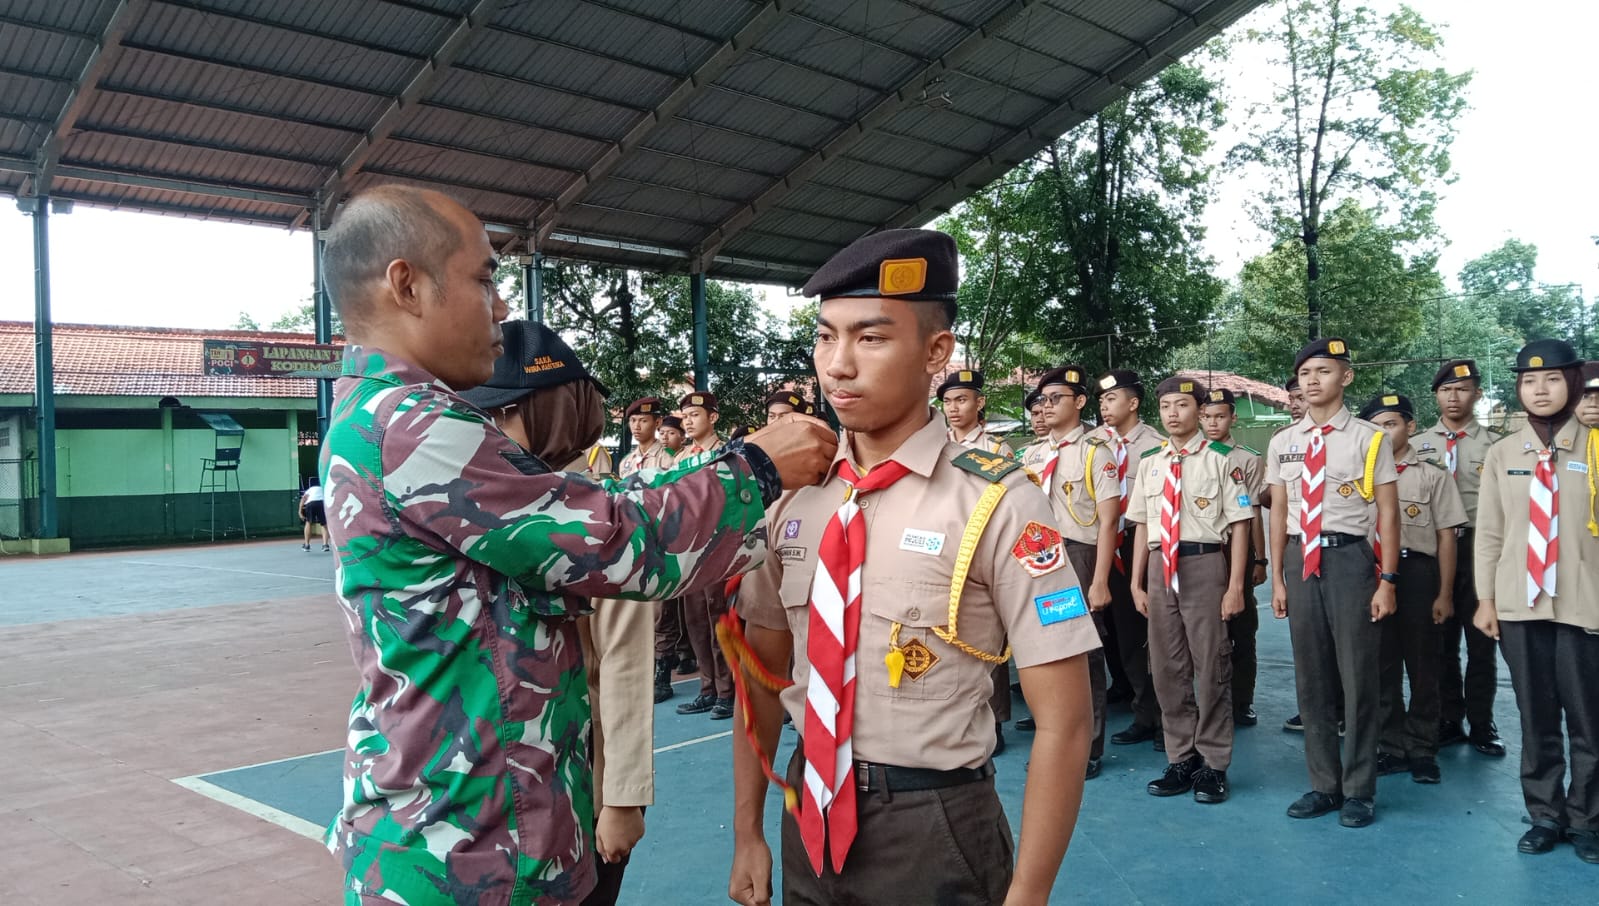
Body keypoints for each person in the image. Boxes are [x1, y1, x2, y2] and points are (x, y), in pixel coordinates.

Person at [314, 185, 837, 905]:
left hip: (473, 828)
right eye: (483, 278)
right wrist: (756, 468)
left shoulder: (380, 416)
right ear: (406, 284)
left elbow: (589, 525)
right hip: (473, 857)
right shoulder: (412, 427)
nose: (500, 305)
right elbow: (620, 543)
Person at [728, 229, 1098, 906]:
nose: (837, 365)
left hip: (933, 826)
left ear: (935, 351)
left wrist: (1029, 894)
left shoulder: (998, 501)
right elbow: (760, 677)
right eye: (824, 337)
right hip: (804, 811)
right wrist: (747, 830)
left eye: (869, 338)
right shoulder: (791, 497)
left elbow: (1065, 720)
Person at [458, 322, 650, 906]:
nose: (488, 428)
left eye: (504, 411)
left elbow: (621, 663)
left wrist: (620, 798)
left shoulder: (597, 514)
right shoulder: (479, 501)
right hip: (492, 787)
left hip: (575, 780)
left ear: (550, 410)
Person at [1474, 339, 1599, 864]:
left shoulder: (1594, 447)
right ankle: (1545, 814)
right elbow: (1490, 533)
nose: (1540, 389)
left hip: (1583, 605)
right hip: (1520, 605)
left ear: (1572, 383)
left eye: (1551, 380)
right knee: (1535, 713)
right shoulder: (1504, 453)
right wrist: (1485, 599)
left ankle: (1588, 819)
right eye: (1528, 380)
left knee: (1588, 717)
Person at [1267, 338, 1398, 828]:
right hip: (1303, 558)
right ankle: (1324, 784)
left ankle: (1359, 789)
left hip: (1351, 560)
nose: (1312, 380)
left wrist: (1387, 580)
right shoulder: (1284, 442)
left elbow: (1387, 513)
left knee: (1358, 675)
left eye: (1324, 371)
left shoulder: (1369, 438)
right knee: (1312, 676)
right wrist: (1278, 578)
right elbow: (1279, 512)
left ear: (1346, 377)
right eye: (1305, 373)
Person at [1128, 377, 1253, 803]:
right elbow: (1143, 521)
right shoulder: (1150, 461)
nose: (1172, 414)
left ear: (1198, 411)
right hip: (1160, 567)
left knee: (1212, 664)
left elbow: (1240, 525)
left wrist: (1236, 585)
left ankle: (1214, 763)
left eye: (1181, 406)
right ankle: (1181, 757)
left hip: (1204, 563)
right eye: (1165, 407)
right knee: (1166, 667)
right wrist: (1135, 581)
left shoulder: (1220, 459)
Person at [1359, 393, 1465, 786]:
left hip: (1418, 574)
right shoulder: (1358, 474)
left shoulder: (1432, 476)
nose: (1384, 433)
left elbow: (1447, 538)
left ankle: (1422, 749)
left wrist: (1445, 593)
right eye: (1376, 426)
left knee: (1424, 666)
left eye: (1391, 424)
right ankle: (1390, 747)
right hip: (1370, 575)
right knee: (1381, 665)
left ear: (1410, 427)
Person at [1017, 364, 1118, 778]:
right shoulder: (1034, 453)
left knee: (1084, 653)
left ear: (1079, 402)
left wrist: (1099, 581)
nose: (1047, 406)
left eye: (1056, 398)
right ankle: (1053, 738)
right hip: (1037, 556)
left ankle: (1089, 746)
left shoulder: (1096, 451)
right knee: (1043, 648)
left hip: (1078, 555)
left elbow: (1109, 521)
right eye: (1043, 400)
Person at [1415, 359, 1506, 756]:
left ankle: (1482, 722)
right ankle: (1448, 718)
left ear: (1477, 395)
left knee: (1482, 641)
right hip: (1434, 549)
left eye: (1463, 390)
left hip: (1480, 548)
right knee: (1441, 641)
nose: (1454, 397)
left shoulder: (1496, 446)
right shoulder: (1417, 445)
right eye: (1446, 390)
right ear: (1436, 395)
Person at [1094, 369, 1166, 749]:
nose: (1104, 406)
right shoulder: (1094, 443)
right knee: (1112, 629)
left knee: (1140, 634)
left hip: (1137, 545)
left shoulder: (1155, 445)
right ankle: (1128, 693)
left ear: (1133, 403)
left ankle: (1153, 715)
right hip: (1102, 542)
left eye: (1112, 399)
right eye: (1102, 400)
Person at [1198, 388, 1267, 726]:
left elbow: (1252, 512)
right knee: (1204, 629)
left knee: (1241, 626)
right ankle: (1208, 701)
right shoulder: (1187, 455)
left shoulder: (1248, 459)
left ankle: (1241, 701)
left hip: (1236, 548)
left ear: (1233, 418)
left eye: (1220, 416)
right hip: (1202, 549)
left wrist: (1260, 559)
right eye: (1208, 416)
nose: (1213, 423)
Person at [674, 391, 737, 720]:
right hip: (689, 550)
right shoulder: (681, 458)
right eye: (684, 415)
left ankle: (726, 691)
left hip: (718, 547)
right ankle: (707, 687)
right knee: (695, 619)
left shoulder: (728, 453)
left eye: (694, 414)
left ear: (713, 417)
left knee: (718, 617)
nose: (687, 420)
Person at [939, 369, 1016, 457]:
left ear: (979, 403)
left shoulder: (996, 448)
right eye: (947, 402)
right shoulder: (936, 444)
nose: (952, 408)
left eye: (961, 400)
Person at [299, 480, 328, 551]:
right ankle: (325, 545)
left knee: (308, 523)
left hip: (311, 503)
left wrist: (300, 511)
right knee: (324, 524)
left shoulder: (309, 490)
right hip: (321, 503)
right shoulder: (323, 488)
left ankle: (306, 545)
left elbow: (303, 499)